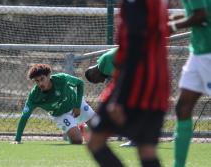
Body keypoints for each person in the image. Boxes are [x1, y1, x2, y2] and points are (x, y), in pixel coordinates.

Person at [87, 0, 169, 167]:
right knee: (146, 149)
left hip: (137, 84)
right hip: (158, 81)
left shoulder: (134, 3)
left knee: (95, 140)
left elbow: (134, 48)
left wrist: (119, 97)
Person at [168, 1, 211, 167]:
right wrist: (171, 19)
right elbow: (198, 12)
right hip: (198, 51)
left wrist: (172, 26)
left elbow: (200, 16)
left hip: (208, 52)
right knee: (183, 107)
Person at [12, 64, 95, 144]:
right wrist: (17, 139)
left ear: (48, 76)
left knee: (100, 128)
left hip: (76, 103)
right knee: (77, 141)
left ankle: (83, 127)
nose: (40, 83)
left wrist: (77, 106)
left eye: (42, 79)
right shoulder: (34, 96)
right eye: (37, 81)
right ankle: (81, 129)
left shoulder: (62, 79)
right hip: (61, 114)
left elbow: (80, 83)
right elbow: (24, 116)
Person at [85, 47, 136, 147]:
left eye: (97, 81)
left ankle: (135, 139)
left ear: (93, 74)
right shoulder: (102, 61)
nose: (102, 81)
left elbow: (122, 79)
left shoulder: (103, 66)